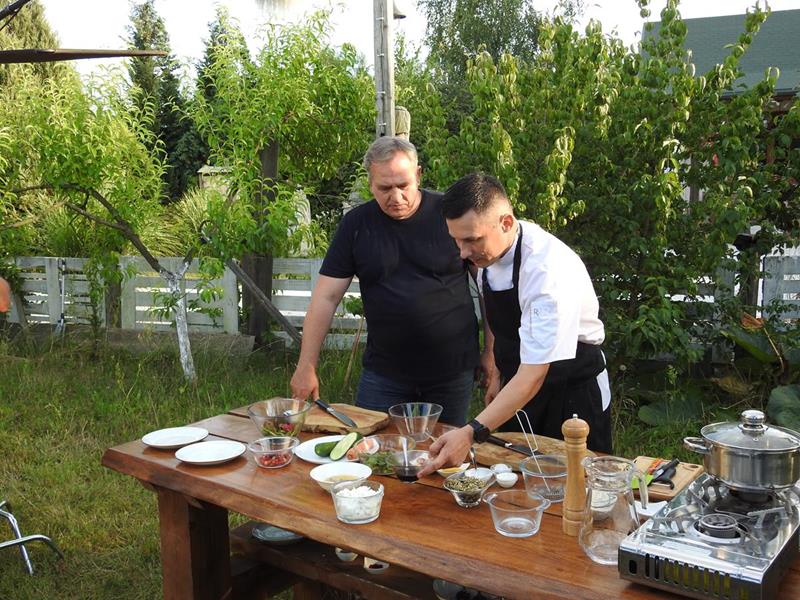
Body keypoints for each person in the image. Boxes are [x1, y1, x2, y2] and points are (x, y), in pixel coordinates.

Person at [420, 173, 611, 475]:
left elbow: (535, 374)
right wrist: (498, 373)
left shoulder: (546, 271)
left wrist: (471, 432)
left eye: (472, 239)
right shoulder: (488, 256)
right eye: (456, 239)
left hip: (571, 393)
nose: (463, 252)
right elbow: (503, 322)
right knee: (514, 480)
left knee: (577, 484)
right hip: (518, 387)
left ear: (506, 223)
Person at [290, 137, 480, 425]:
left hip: (452, 369)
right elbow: (325, 298)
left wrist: (492, 354)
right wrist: (306, 365)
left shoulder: (450, 215)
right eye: (385, 188)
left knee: (445, 448)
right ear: (370, 184)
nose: (397, 197)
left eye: (403, 185)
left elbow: (489, 286)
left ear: (418, 175)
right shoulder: (356, 225)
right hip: (384, 373)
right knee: (371, 445)